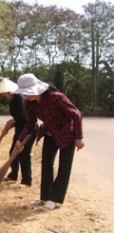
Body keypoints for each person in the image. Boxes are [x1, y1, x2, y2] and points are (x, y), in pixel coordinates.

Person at [12, 73, 84, 211]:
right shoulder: (30, 104)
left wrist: (79, 138)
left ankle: (55, 199)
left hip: (66, 134)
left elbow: (76, 114)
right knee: (46, 164)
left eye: (27, 92)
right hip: (49, 133)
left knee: (64, 167)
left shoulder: (55, 97)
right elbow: (30, 123)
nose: (26, 96)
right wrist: (20, 140)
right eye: (24, 93)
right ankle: (45, 197)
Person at [0, 78, 38, 186]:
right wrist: (8, 127)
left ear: (8, 91)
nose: (3, 95)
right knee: (13, 152)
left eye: (3, 93)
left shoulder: (20, 99)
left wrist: (11, 121)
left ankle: (27, 180)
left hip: (29, 130)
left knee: (23, 154)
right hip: (20, 129)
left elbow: (22, 116)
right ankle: (13, 175)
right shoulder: (14, 100)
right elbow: (18, 119)